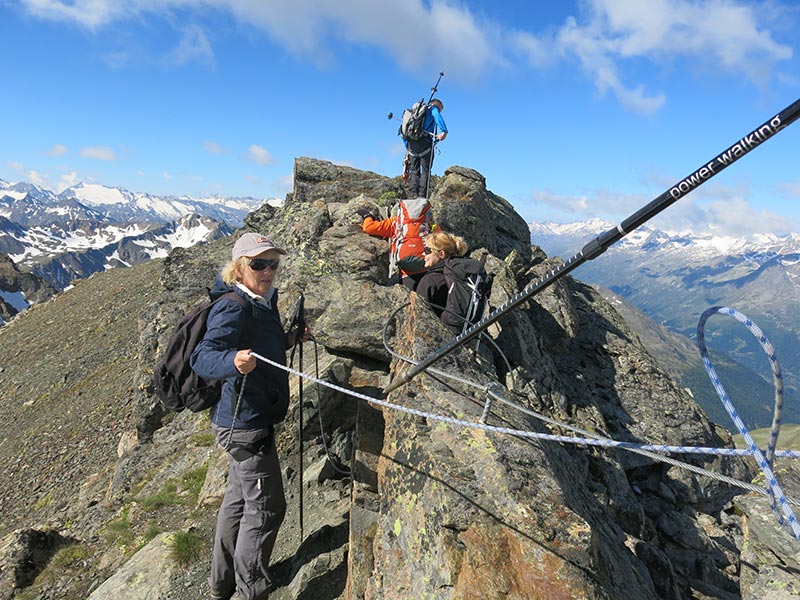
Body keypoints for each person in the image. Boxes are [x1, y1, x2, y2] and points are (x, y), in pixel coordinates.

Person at [190, 232, 308, 600]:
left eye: (273, 263)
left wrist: (290, 339)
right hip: (245, 425)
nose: (268, 270)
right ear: (239, 268)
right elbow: (203, 357)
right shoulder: (235, 306)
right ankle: (249, 592)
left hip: (244, 418)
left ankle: (221, 584)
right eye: (259, 263)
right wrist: (232, 362)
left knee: (238, 502)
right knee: (268, 509)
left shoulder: (261, 300)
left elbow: (262, 346)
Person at [356, 197, 433, 290]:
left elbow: (369, 228)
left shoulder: (396, 223)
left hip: (406, 272)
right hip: (428, 270)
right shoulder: (429, 225)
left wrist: (367, 216)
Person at [416, 230, 468, 318]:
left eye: (427, 250)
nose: (423, 253)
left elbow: (418, 313)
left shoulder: (429, 280)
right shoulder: (461, 274)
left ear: (441, 254)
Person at [405, 98, 447, 198]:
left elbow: (405, 131)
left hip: (412, 144)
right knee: (426, 170)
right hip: (425, 142)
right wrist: (444, 131)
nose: (439, 111)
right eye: (440, 109)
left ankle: (413, 194)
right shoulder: (433, 108)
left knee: (414, 170)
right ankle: (422, 196)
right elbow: (437, 117)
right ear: (437, 105)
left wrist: (407, 147)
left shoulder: (414, 114)